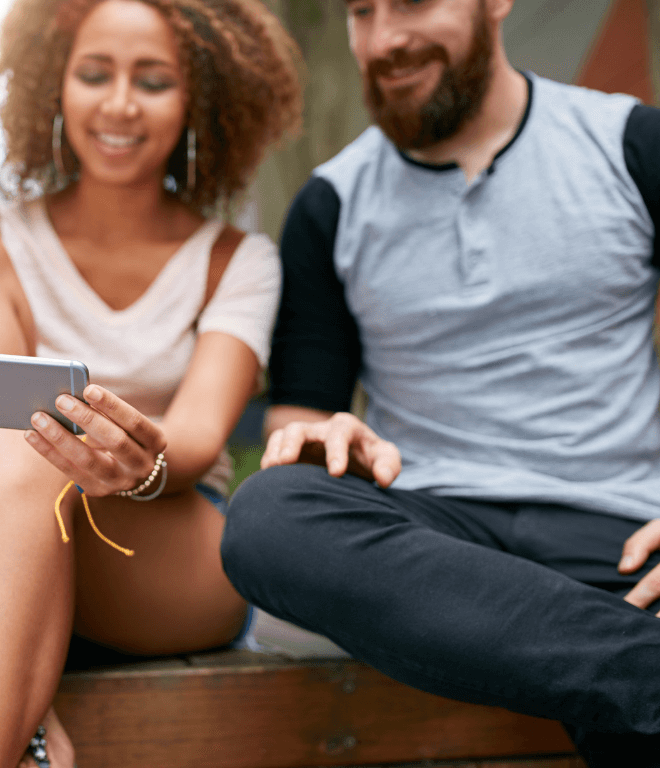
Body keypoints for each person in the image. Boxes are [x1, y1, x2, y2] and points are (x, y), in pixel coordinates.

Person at [0, 0, 301, 764]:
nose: (119, 103)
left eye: (152, 81)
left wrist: (125, 457)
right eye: (95, 74)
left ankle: (4, 699)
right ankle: (25, 709)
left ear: (202, 99)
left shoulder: (237, 260)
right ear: (56, 84)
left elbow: (190, 445)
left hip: (155, 545)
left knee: (19, 458)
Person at [218, 0, 660, 765]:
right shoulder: (329, 204)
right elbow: (300, 423)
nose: (386, 38)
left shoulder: (630, 144)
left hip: (622, 531)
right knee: (265, 514)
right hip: (433, 546)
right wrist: (329, 441)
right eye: (362, 12)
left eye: (415, 3)